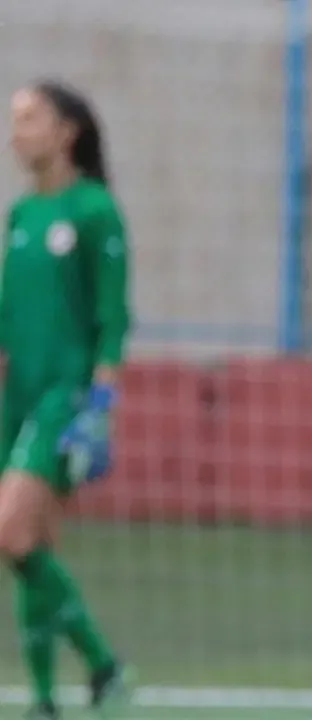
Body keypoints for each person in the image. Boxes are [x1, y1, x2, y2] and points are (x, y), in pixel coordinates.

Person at [2, 81, 134, 719]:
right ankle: (48, 696)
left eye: (30, 118)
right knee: (30, 544)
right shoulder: (22, 216)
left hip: (64, 394)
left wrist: (100, 402)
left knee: (9, 529)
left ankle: (103, 661)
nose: (16, 132)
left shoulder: (94, 210)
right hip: (16, 397)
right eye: (14, 119)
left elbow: (113, 316)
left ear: (66, 131)